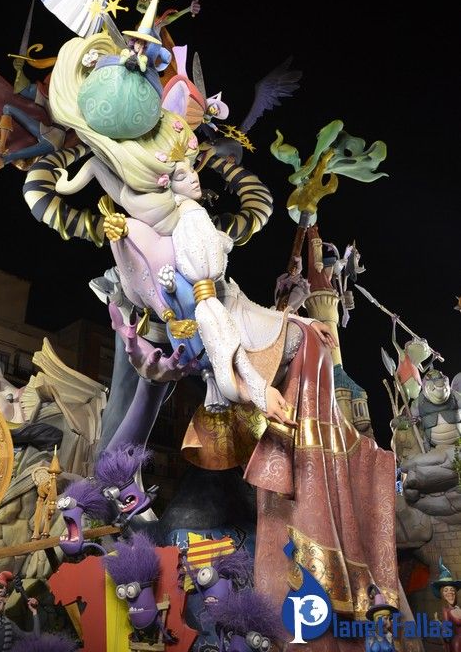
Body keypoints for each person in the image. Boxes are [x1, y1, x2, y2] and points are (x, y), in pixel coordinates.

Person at [34, 32, 399, 628]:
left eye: (192, 162)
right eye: (184, 166)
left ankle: (296, 513)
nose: (193, 171)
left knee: (277, 352)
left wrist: (258, 375)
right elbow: (93, 181)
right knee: (153, 411)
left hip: (205, 328)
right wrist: (72, 153)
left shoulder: (191, 227)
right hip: (178, 326)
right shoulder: (155, 215)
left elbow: (220, 301)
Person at [431, 559, 461, 652]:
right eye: (446, 590)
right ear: (442, 594)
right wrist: (439, 625)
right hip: (458, 645)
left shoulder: (457, 608)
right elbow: (446, 633)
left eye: (452, 590)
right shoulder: (446, 610)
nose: (450, 592)